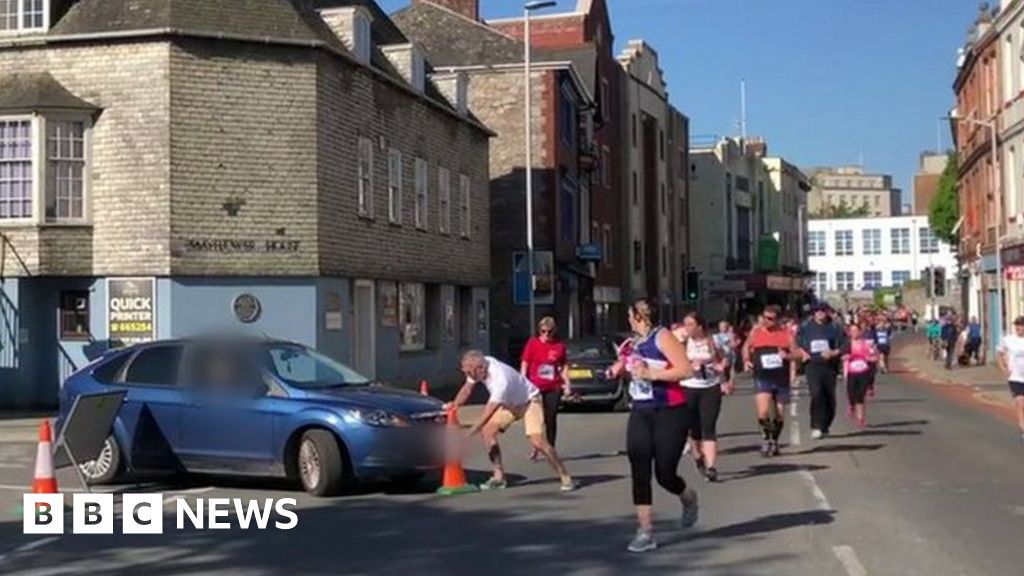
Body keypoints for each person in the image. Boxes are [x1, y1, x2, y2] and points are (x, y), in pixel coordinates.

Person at [607, 298, 699, 553]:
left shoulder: (663, 337)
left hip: (670, 410)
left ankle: (688, 496)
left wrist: (653, 374)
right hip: (641, 409)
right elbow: (631, 367)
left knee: (664, 473)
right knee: (639, 467)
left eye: (630, 315)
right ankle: (645, 531)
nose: (628, 320)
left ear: (640, 316)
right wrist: (620, 371)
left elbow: (686, 370)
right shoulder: (633, 342)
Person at [449, 351, 576, 492]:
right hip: (509, 404)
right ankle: (498, 477)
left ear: (480, 368)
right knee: (488, 432)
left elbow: (486, 415)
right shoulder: (481, 364)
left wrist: (467, 435)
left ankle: (564, 475)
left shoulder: (500, 381)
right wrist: (454, 406)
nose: (469, 375)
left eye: (470, 372)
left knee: (537, 441)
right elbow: (467, 389)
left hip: (530, 401)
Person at [743, 305, 800, 457]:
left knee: (779, 415)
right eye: (766, 318)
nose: (768, 321)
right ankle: (765, 439)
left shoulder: (786, 335)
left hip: (781, 378)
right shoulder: (756, 333)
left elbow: (797, 354)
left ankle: (774, 441)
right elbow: (746, 347)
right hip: (763, 376)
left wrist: (787, 357)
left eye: (772, 319)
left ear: (778, 319)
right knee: (763, 412)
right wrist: (746, 359)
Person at [679, 312, 729, 482]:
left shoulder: (714, 341)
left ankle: (711, 467)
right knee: (694, 430)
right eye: (685, 325)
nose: (687, 328)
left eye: (691, 325)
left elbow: (726, 359)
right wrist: (689, 366)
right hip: (688, 388)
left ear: (700, 326)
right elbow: (674, 363)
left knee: (709, 427)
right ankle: (698, 457)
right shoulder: (682, 342)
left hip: (710, 388)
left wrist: (721, 368)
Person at [520, 317, 571, 460]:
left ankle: (550, 448)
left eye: (549, 332)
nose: (546, 334)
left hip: (553, 386)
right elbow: (525, 362)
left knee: (551, 417)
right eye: (543, 331)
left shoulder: (559, 346)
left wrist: (567, 384)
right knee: (537, 418)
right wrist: (523, 380)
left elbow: (564, 366)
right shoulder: (533, 343)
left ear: (554, 331)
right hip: (535, 387)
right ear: (539, 330)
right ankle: (537, 446)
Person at [796, 303, 845, 440]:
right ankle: (816, 426)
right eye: (817, 310)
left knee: (829, 398)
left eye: (823, 310)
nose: (820, 313)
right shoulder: (806, 327)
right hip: (812, 365)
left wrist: (834, 352)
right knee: (816, 394)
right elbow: (796, 342)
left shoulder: (835, 327)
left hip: (829, 366)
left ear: (827, 312)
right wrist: (802, 352)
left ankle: (825, 425)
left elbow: (845, 344)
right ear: (813, 313)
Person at [843, 323, 878, 429]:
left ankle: (861, 419)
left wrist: (868, 358)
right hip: (851, 372)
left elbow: (875, 357)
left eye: (856, 331)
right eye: (852, 331)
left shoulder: (866, 344)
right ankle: (851, 405)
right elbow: (841, 357)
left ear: (860, 332)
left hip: (863, 372)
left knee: (860, 396)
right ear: (849, 333)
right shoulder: (847, 344)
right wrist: (847, 357)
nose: (854, 333)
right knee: (851, 393)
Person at [996, 316, 1024, 444]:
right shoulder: (1008, 340)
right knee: (1020, 403)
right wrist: (1003, 369)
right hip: (1015, 377)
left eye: (1021, 325)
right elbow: (1000, 353)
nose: (1019, 328)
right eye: (1017, 325)